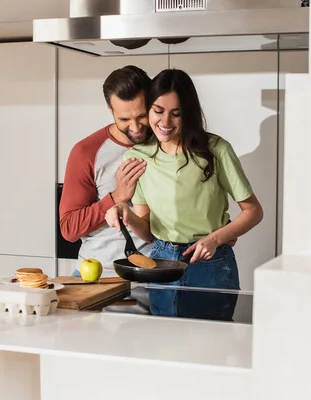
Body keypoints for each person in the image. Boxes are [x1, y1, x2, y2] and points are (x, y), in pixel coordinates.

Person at [105, 68, 264, 319]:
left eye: (176, 114)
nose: (165, 122)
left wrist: (215, 239)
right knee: (163, 346)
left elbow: (253, 211)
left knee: (213, 347)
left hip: (210, 264)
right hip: (161, 263)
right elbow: (147, 230)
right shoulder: (138, 157)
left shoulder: (216, 150)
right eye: (157, 111)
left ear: (188, 114)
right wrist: (125, 213)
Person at [59, 65, 154, 278]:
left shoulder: (169, 143)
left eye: (142, 116)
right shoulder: (86, 152)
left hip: (158, 274)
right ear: (111, 111)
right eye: (124, 120)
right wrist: (117, 196)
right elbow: (69, 228)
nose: (136, 127)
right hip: (100, 276)